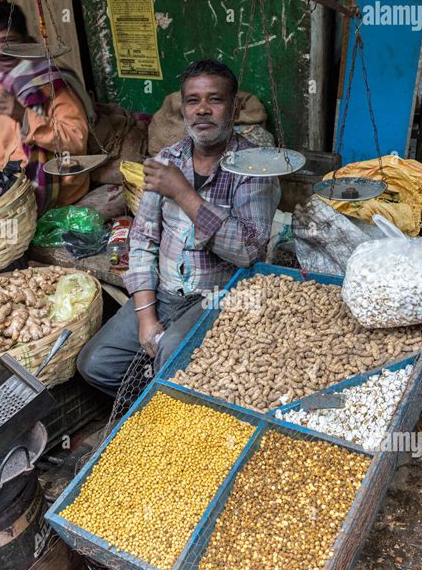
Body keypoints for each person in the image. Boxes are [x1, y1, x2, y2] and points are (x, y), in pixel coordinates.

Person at [78, 59, 280, 396]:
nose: (202, 110)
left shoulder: (255, 166)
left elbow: (248, 250)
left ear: (232, 108)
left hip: (219, 297)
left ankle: (173, 404)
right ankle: (159, 402)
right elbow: (142, 240)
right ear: (184, 109)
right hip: (164, 292)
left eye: (214, 100)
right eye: (193, 100)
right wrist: (145, 317)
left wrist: (183, 193)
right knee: (96, 363)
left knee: (170, 354)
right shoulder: (165, 161)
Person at [0, 2, 93, 213]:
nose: (0, 51)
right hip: (4, 190)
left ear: (27, 42)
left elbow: (75, 140)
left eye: (8, 42)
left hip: (56, 194)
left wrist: (23, 116)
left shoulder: (50, 83)